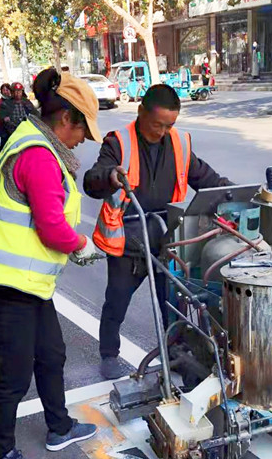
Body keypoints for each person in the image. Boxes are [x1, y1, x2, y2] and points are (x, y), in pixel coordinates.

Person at [0, 67, 102, 459]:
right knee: (12, 375)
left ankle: (59, 427)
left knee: (51, 354)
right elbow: (51, 227)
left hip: (27, 285)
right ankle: (0, 455)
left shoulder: (39, 144)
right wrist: (82, 244)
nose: (83, 140)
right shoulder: (38, 155)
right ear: (66, 119)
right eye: (82, 131)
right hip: (3, 285)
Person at [84, 83, 233, 380]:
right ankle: (109, 354)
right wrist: (110, 176)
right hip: (130, 240)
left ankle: (175, 351)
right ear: (141, 112)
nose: (163, 132)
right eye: (157, 125)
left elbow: (207, 179)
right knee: (117, 301)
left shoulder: (179, 143)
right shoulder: (119, 143)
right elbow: (92, 180)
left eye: (170, 125)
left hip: (167, 239)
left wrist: (234, 194)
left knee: (173, 303)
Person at [0, 82, 13, 150]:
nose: (5, 92)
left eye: (7, 90)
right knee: (4, 145)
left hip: (14, 127)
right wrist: (3, 119)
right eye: (4, 90)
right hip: (4, 128)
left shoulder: (14, 100)